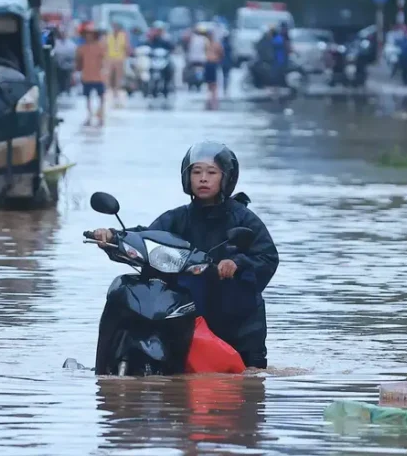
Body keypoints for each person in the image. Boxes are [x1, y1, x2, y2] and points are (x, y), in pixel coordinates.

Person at [90, 142, 279, 369]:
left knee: (244, 385)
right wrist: (112, 236)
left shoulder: (244, 219)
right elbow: (150, 236)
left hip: (235, 317)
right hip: (183, 312)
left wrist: (236, 264)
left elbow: (267, 258)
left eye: (211, 172)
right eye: (196, 172)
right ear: (187, 177)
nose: (203, 179)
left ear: (226, 177)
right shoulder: (178, 217)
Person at [76, 22, 106, 127]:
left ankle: (100, 115)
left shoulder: (101, 47)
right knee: (87, 97)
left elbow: (105, 61)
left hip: (99, 77)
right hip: (87, 76)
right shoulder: (81, 48)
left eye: (91, 34)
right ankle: (89, 116)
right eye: (87, 34)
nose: (89, 36)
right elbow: (78, 63)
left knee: (101, 97)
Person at [105, 22, 130, 108]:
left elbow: (127, 47)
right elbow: (105, 46)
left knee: (118, 78)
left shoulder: (123, 36)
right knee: (108, 77)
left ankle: (116, 93)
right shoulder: (109, 35)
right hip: (110, 58)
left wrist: (126, 57)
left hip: (120, 59)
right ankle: (109, 93)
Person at [53, 27, 77, 95]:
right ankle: (60, 91)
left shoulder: (71, 43)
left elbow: (74, 52)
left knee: (68, 79)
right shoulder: (56, 42)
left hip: (68, 66)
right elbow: (56, 52)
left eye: (64, 33)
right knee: (60, 80)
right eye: (61, 33)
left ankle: (67, 91)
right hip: (59, 67)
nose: (62, 34)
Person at [204, 30, 223, 110]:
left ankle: (214, 100)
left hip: (213, 64)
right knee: (208, 83)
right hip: (207, 64)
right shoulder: (205, 44)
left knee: (214, 83)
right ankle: (209, 99)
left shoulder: (216, 44)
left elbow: (221, 54)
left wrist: (217, 59)